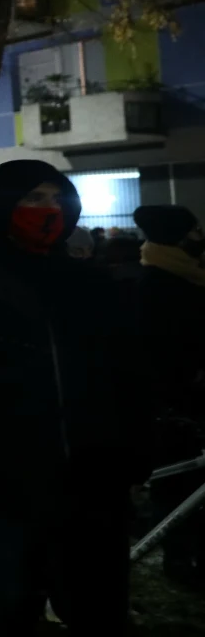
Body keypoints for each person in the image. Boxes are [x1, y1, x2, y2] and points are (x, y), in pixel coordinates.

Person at [0, 160, 151, 636]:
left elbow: (129, 374)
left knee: (99, 605)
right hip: (11, 488)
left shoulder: (91, 283)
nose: (49, 209)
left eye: (57, 198)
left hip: (95, 482)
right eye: (33, 198)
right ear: (5, 206)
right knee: (13, 606)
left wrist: (132, 448)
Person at [133, 204, 205, 586]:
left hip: (189, 402)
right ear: (178, 237)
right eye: (194, 231)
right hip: (174, 406)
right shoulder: (155, 285)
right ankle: (178, 560)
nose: (199, 237)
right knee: (175, 483)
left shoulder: (187, 277)